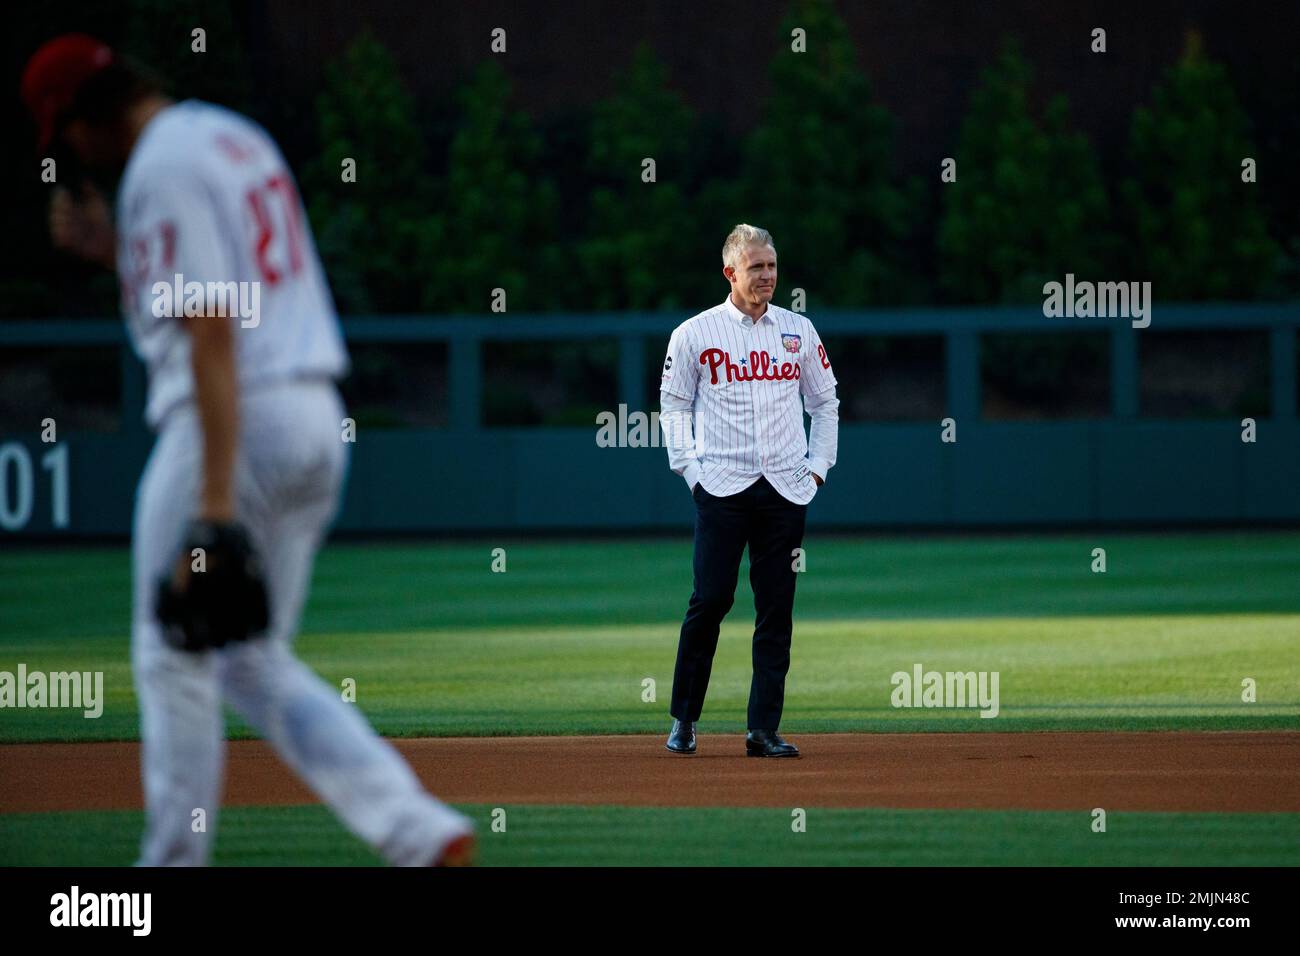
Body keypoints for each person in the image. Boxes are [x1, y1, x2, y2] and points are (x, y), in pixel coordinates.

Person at [21, 33, 475, 865]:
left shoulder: (157, 169)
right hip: (312, 421)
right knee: (247, 659)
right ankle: (418, 830)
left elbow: (213, 329)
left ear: (90, 115)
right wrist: (112, 249)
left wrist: (216, 508)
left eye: (69, 135)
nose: (75, 154)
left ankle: (168, 869)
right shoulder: (230, 136)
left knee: (170, 655)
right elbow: (237, 283)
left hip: (232, 425)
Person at [658, 224, 839, 757]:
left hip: (785, 487)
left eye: (772, 266)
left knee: (776, 607)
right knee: (710, 600)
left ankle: (763, 729)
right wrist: (689, 470)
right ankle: (684, 720)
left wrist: (818, 468)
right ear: (730, 272)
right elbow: (673, 406)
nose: (767, 276)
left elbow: (825, 403)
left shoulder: (798, 331)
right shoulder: (694, 333)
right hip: (721, 485)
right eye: (756, 267)